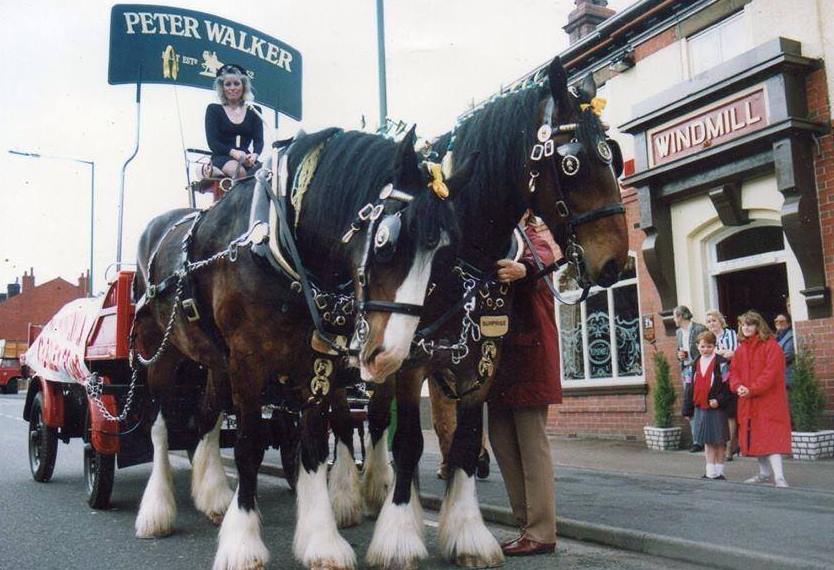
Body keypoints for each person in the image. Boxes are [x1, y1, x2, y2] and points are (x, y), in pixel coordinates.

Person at [487, 212, 560, 557]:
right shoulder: (497, 236)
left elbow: (543, 260)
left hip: (528, 358)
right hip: (501, 364)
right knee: (502, 444)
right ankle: (525, 525)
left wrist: (523, 271)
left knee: (532, 449)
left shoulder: (531, 237)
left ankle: (541, 531)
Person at [730, 310, 792, 488]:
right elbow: (734, 372)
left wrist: (751, 389)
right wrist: (737, 386)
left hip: (768, 401)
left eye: (750, 324)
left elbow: (771, 374)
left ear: (758, 326)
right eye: (743, 324)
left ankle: (779, 477)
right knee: (755, 437)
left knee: (771, 437)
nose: (746, 327)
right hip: (748, 400)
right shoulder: (741, 349)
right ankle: (764, 473)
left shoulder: (771, 346)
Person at [682, 331, 732, 480]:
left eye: (709, 346)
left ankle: (720, 471)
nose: (706, 349)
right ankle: (710, 471)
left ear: (714, 346)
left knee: (719, 440)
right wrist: (687, 409)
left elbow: (728, 386)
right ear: (697, 346)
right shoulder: (692, 366)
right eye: (703, 346)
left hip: (717, 407)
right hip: (700, 407)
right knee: (707, 441)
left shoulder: (722, 363)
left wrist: (719, 400)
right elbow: (688, 387)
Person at [205, 64, 264, 179]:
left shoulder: (255, 111)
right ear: (222, 88)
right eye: (228, 84)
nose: (232, 88)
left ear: (243, 86)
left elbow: (259, 140)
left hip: (246, 159)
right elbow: (213, 142)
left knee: (267, 175)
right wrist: (234, 153)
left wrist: (255, 155)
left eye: (236, 83)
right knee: (239, 172)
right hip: (222, 157)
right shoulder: (214, 110)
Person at [705, 309, 739, 461]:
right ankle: (721, 446)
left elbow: (731, 353)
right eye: (709, 321)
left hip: (730, 376)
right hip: (715, 379)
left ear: (720, 321)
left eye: (714, 320)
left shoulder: (730, 334)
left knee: (730, 413)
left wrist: (718, 354)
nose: (711, 323)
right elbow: (706, 355)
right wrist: (719, 353)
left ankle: (730, 448)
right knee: (719, 413)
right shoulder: (708, 338)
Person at [674, 306, 707, 452]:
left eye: (675, 316)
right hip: (686, 370)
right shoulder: (678, 333)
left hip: (699, 370)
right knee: (690, 403)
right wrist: (679, 356)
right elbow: (678, 350)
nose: (674, 320)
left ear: (681, 316)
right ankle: (696, 441)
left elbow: (706, 347)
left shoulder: (699, 329)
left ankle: (706, 438)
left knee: (702, 401)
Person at [774, 313, 795, 391]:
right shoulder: (776, 337)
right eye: (776, 321)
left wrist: (769, 360)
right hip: (779, 378)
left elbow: (787, 356)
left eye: (781, 321)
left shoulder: (791, 336)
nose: (778, 323)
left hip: (788, 378)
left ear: (789, 323)